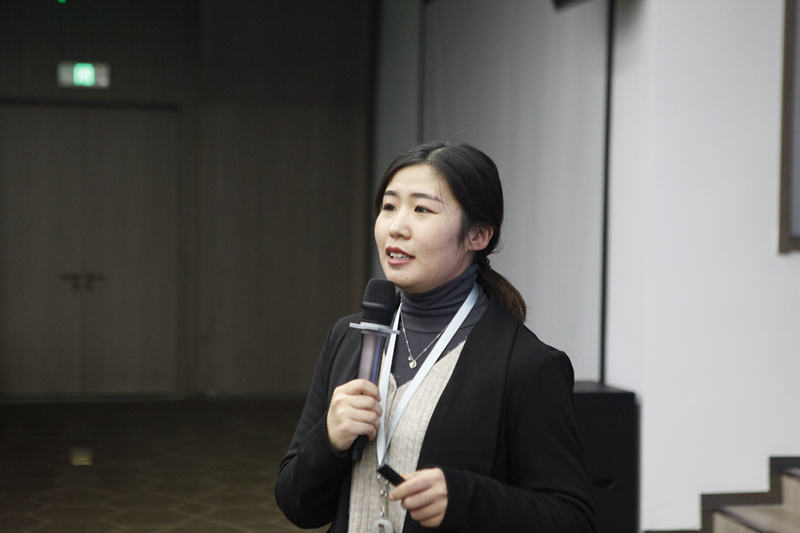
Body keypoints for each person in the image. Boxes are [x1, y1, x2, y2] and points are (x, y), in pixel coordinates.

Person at [275, 141, 596, 532]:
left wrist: (466, 499)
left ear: (478, 235)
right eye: (389, 206)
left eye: (422, 210)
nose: (396, 226)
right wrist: (328, 439)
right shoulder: (349, 338)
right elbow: (297, 505)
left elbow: (573, 519)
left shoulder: (527, 366)